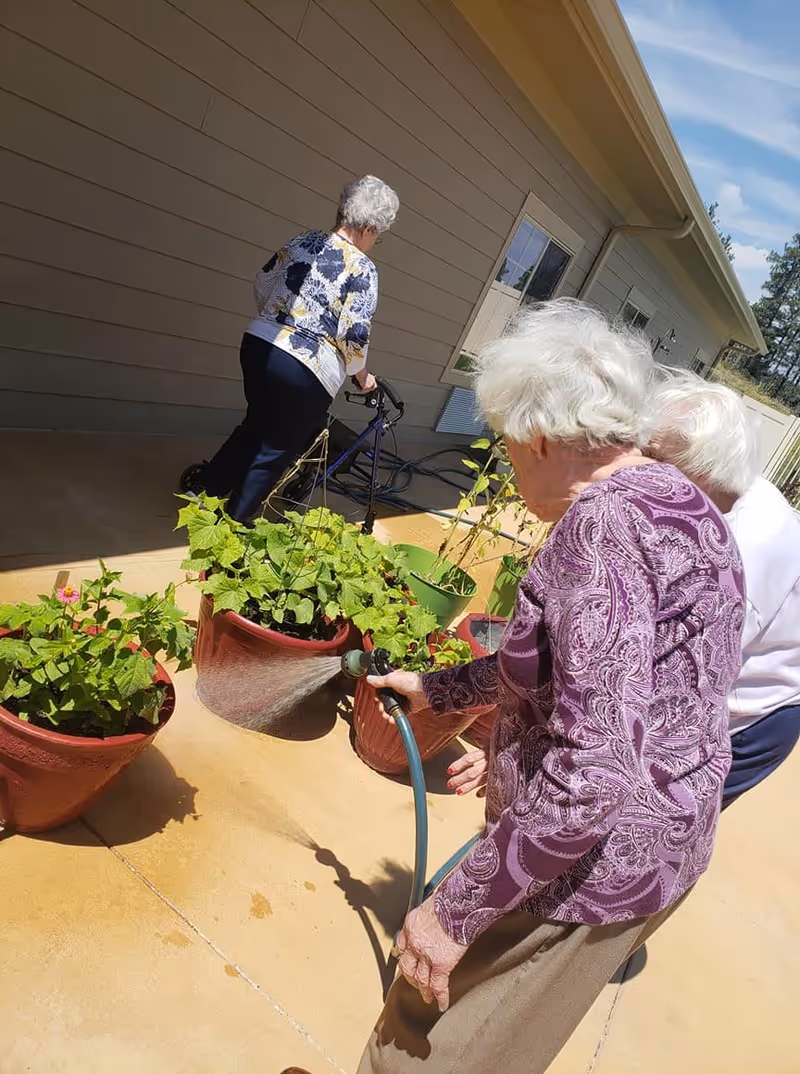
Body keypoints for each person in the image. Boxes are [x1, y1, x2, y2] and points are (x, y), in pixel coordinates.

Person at [281, 299, 746, 1074]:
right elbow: (584, 667)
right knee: (505, 1040)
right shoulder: (687, 505)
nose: (507, 461)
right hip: (664, 848)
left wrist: (454, 912)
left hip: (587, 864)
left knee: (435, 1032)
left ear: (536, 436)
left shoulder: (599, 531)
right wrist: (441, 688)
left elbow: (594, 771)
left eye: (504, 445)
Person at [185, 175, 399, 522]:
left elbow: (264, 281)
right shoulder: (362, 267)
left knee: (255, 425)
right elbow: (354, 334)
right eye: (379, 235)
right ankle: (234, 526)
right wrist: (362, 376)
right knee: (274, 451)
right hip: (306, 369)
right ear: (370, 228)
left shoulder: (306, 239)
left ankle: (201, 494)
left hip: (259, 345)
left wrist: (274, 321)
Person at [647, 369, 800, 808]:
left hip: (752, 715)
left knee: (655, 825)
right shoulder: (711, 496)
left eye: (655, 458)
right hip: (715, 688)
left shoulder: (750, 546)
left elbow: (672, 667)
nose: (638, 468)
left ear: (701, 465)